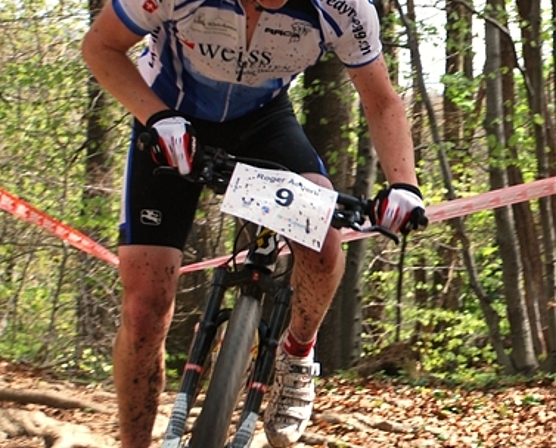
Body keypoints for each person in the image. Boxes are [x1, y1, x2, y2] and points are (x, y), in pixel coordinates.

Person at [81, 0, 426, 446]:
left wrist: (404, 185)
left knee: (323, 245)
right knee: (145, 308)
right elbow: (100, 45)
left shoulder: (344, 8)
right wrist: (157, 117)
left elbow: (381, 100)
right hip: (171, 114)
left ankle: (298, 355)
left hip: (263, 124)